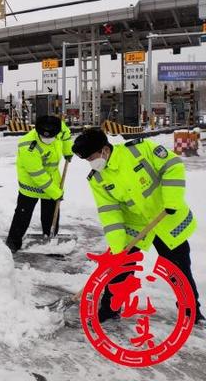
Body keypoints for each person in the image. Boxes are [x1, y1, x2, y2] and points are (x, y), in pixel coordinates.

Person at [72, 128, 203, 324]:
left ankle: (191, 311)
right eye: (88, 160)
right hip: (136, 223)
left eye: (92, 157)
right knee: (120, 267)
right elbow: (110, 213)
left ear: (105, 149)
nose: (92, 163)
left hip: (166, 216)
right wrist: (117, 249)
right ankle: (110, 308)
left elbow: (173, 165)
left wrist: (172, 200)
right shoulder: (98, 178)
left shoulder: (140, 150)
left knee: (179, 269)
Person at [5, 115, 72, 253]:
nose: (48, 139)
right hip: (31, 183)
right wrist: (56, 192)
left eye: (51, 136)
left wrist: (67, 151)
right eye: (44, 136)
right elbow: (37, 174)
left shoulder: (59, 128)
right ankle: (13, 241)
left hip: (51, 178)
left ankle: (50, 239)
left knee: (51, 213)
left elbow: (66, 134)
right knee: (23, 214)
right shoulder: (28, 145)